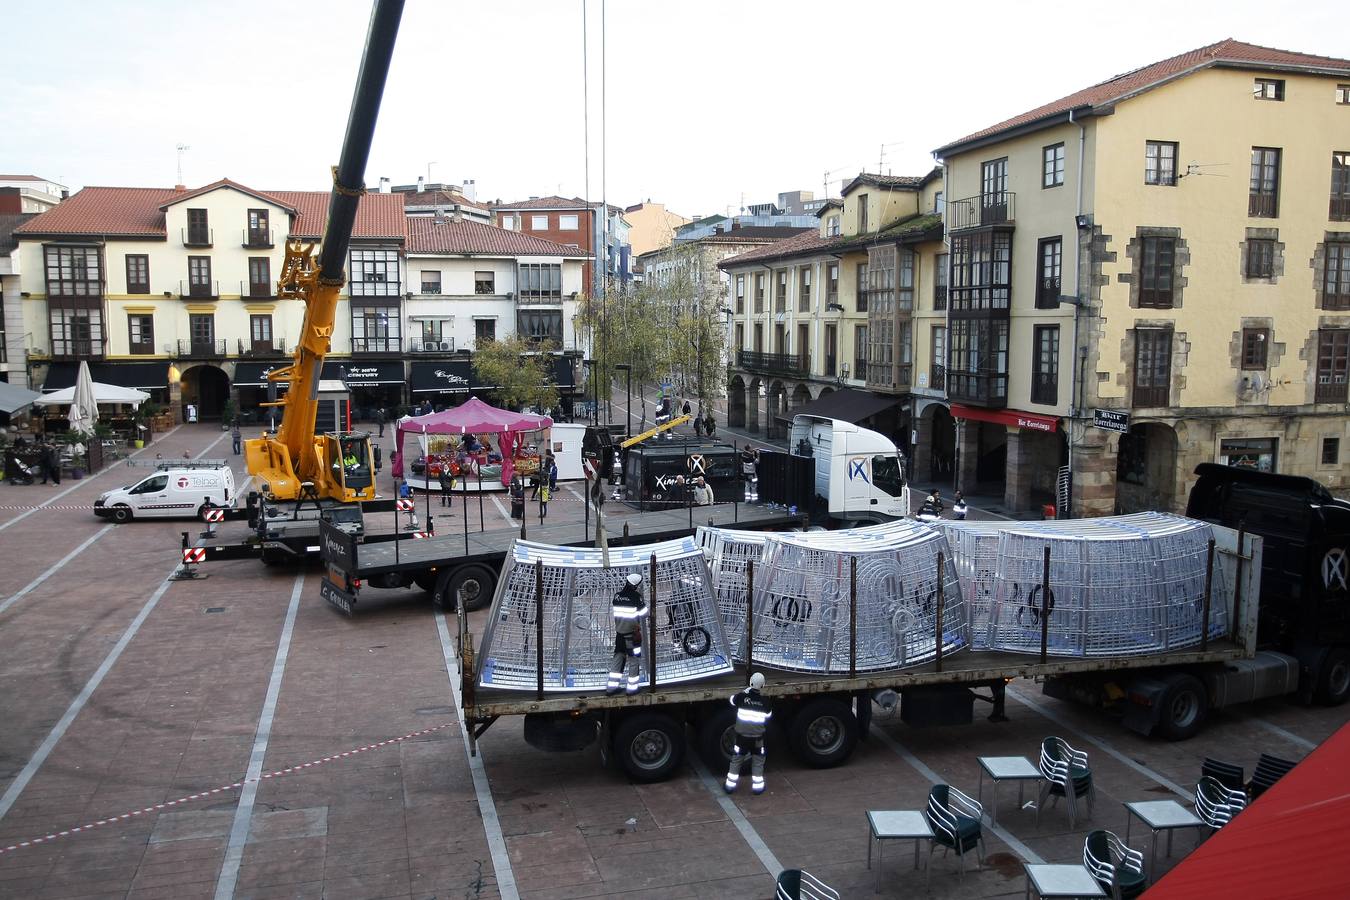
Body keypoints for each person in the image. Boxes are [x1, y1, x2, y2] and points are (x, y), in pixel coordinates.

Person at [725, 673, 772, 795]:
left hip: (742, 738)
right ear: (763, 685)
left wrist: (744, 692)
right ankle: (758, 788)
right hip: (758, 739)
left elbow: (731, 700)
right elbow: (768, 716)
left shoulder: (741, 697)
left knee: (736, 761)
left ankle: (729, 786)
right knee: (758, 762)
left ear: (750, 682)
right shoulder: (765, 702)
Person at [607, 573, 648, 696]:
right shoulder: (636, 597)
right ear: (636, 586)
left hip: (619, 634)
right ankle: (631, 688)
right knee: (633, 660)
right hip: (631, 635)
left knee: (618, 658)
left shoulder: (617, 596)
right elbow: (644, 613)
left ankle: (611, 688)